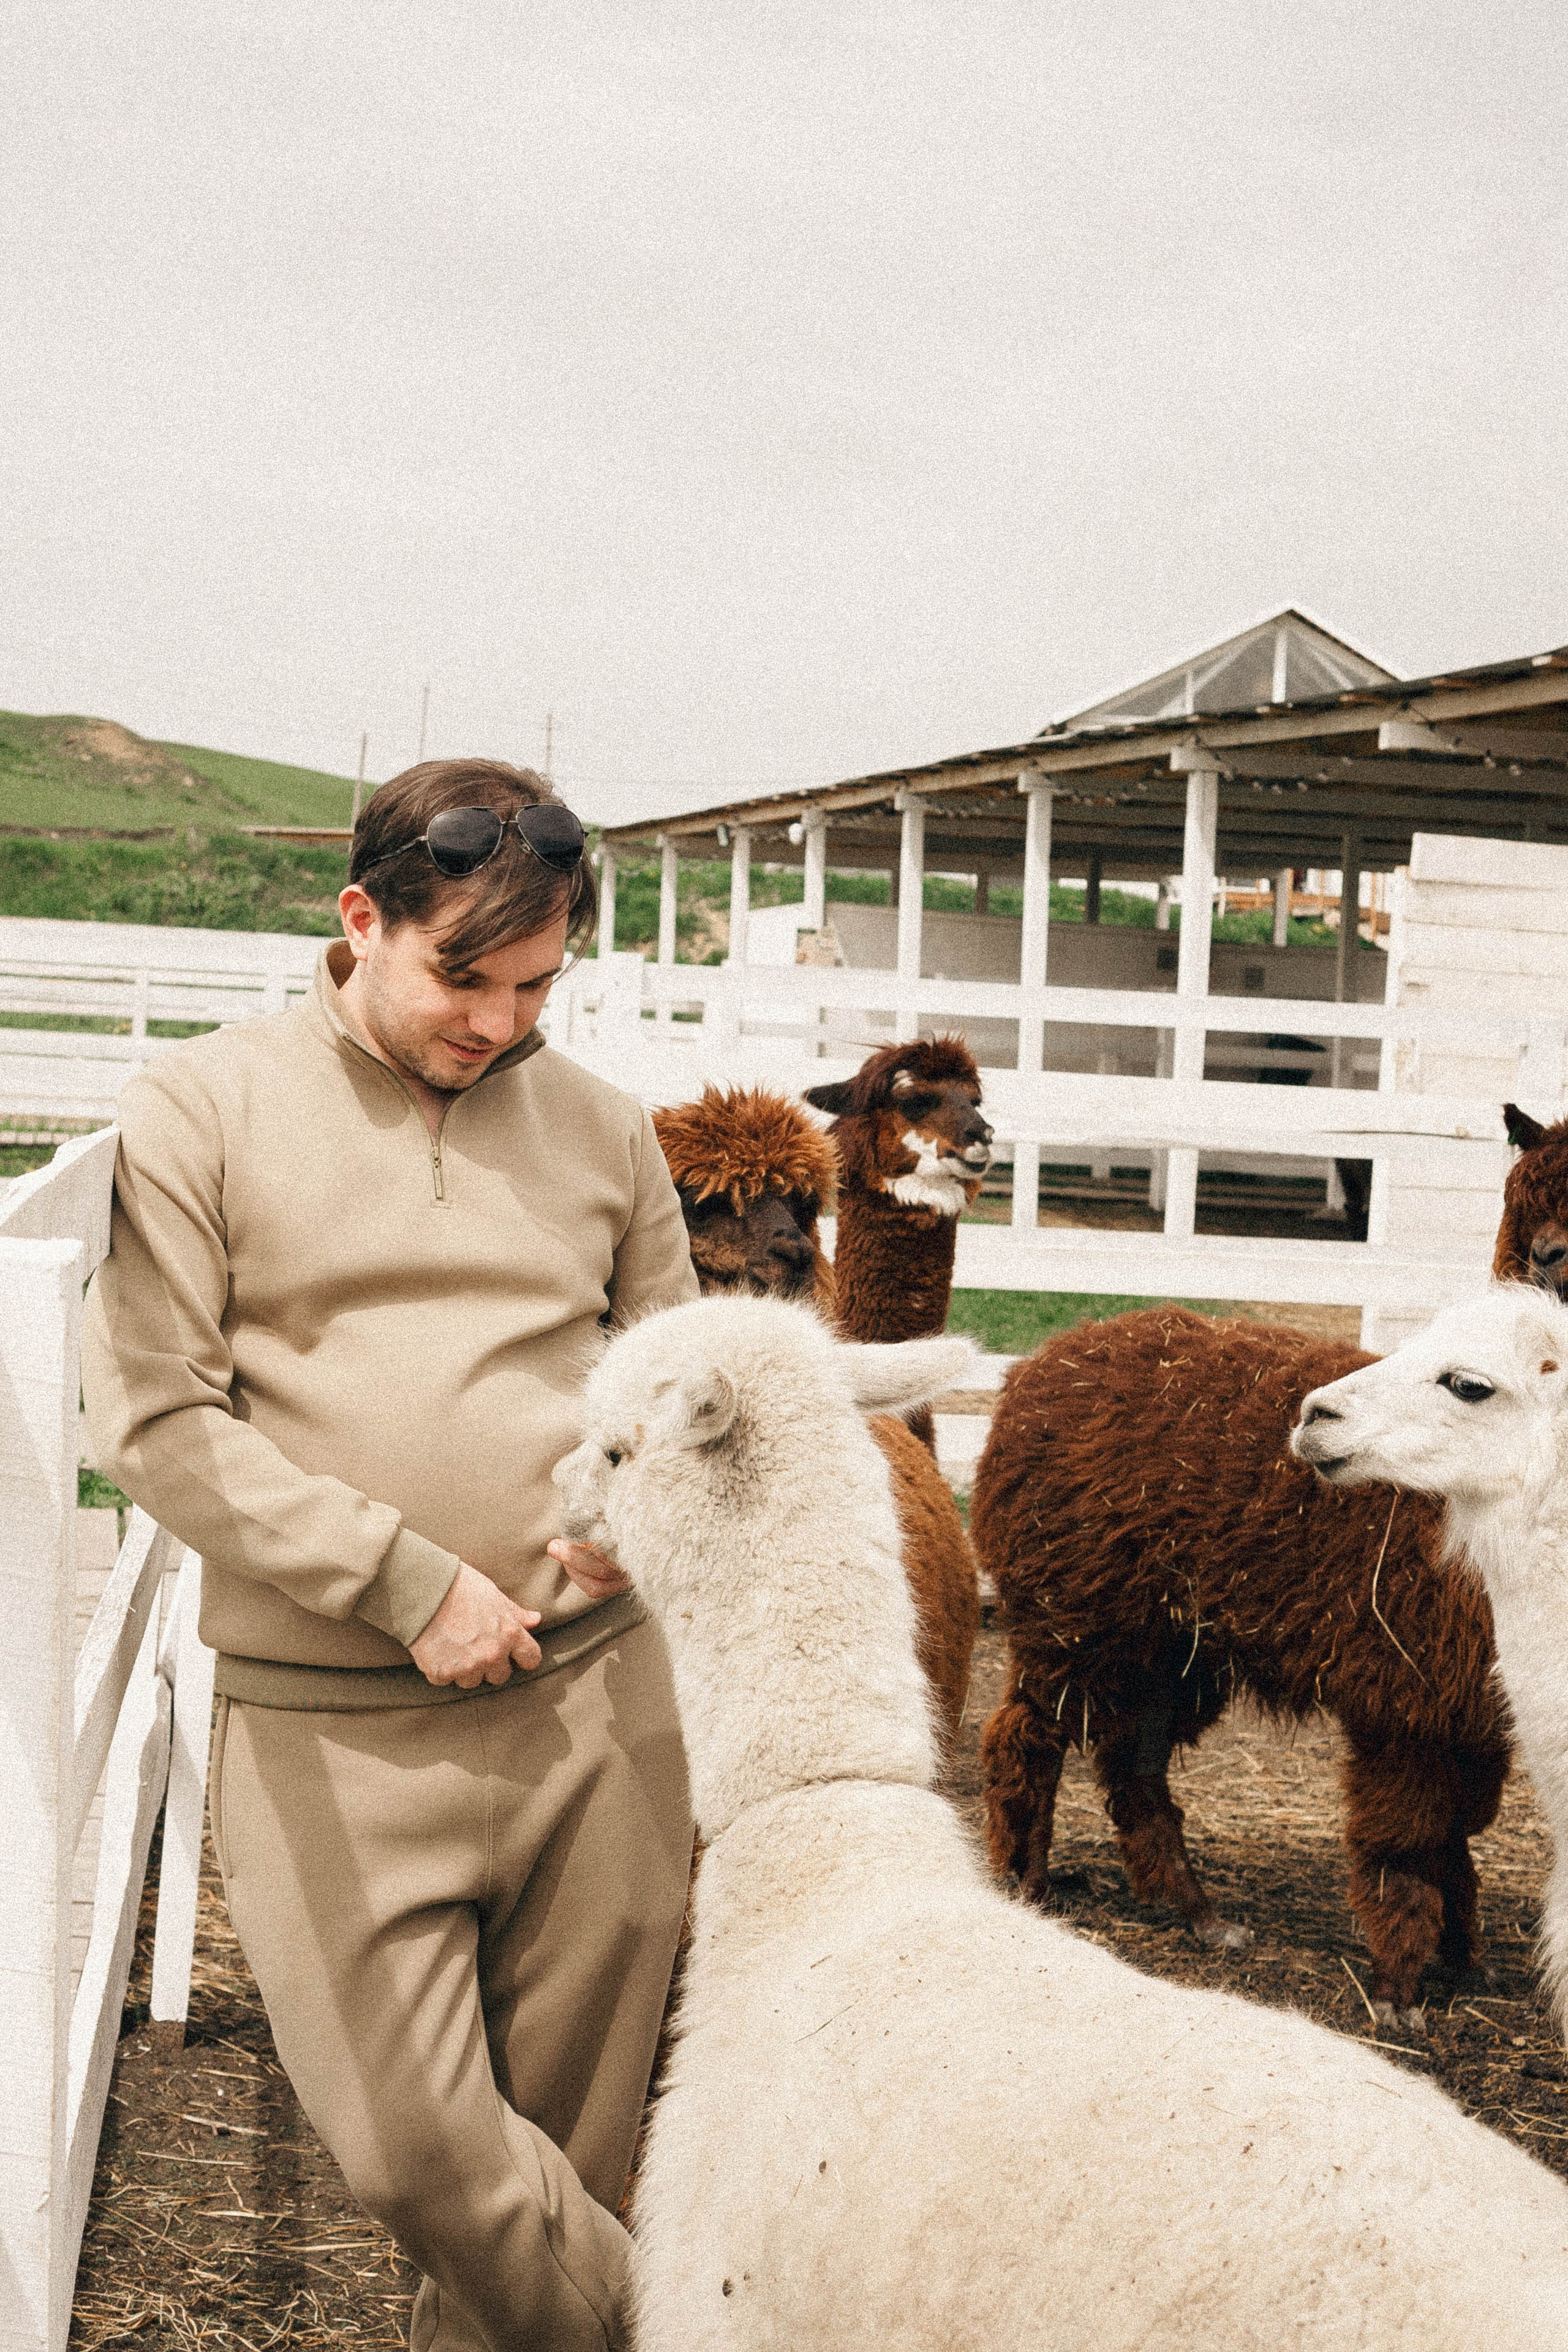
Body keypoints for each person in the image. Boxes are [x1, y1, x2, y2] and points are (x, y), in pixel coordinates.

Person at [82, 760, 699, 2352]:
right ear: (361, 919)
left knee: (569, 2185)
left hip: (599, 1721)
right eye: (462, 975)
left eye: (538, 983)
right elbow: (153, 1421)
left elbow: (683, 1388)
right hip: (333, 1725)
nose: (498, 1021)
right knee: (429, 2161)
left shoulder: (608, 1133)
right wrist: (406, 1582)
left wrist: (643, 1515)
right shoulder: (201, 1109)